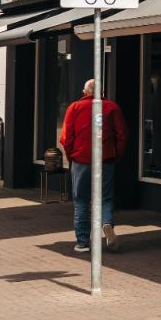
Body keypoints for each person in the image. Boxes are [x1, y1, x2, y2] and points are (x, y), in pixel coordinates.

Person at [59, 79, 126, 253]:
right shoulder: (112, 107)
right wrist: (116, 156)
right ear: (101, 92)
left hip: (81, 160)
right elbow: (121, 135)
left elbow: (66, 138)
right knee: (105, 198)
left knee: (81, 201)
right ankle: (106, 223)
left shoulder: (74, 108)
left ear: (84, 92)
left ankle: (82, 243)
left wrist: (71, 157)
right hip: (105, 160)